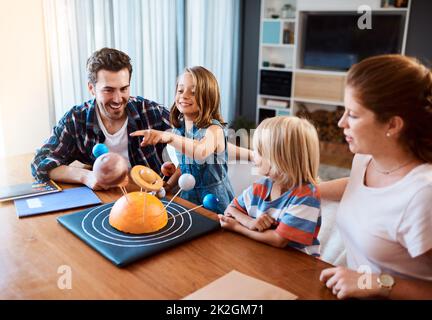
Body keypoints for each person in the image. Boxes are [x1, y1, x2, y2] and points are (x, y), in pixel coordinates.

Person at [318, 54, 432, 299]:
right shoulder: (366, 157)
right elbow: (362, 190)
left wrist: (378, 283)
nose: (340, 123)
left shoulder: (423, 195)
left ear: (392, 125)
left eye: (354, 115)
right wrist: (309, 189)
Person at [31, 47, 172, 190]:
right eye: (108, 90)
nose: (117, 99)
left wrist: (175, 176)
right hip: (104, 199)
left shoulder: (150, 112)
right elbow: (40, 163)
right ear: (92, 88)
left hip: (151, 200)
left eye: (124, 89)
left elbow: (192, 140)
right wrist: (86, 176)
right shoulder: (76, 119)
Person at [130, 66, 236, 214]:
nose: (184, 96)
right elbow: (185, 165)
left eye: (193, 92)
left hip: (215, 202)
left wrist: (168, 137)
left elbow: (200, 151)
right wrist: (168, 185)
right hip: (188, 199)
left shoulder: (214, 130)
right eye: (180, 91)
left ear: (208, 98)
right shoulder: (179, 129)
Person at [218, 116, 321, 255]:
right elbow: (230, 209)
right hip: (263, 256)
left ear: (280, 158)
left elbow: (278, 240)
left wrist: (238, 228)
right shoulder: (261, 186)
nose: (254, 156)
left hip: (296, 268)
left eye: (259, 151)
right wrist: (250, 222)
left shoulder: (307, 195)